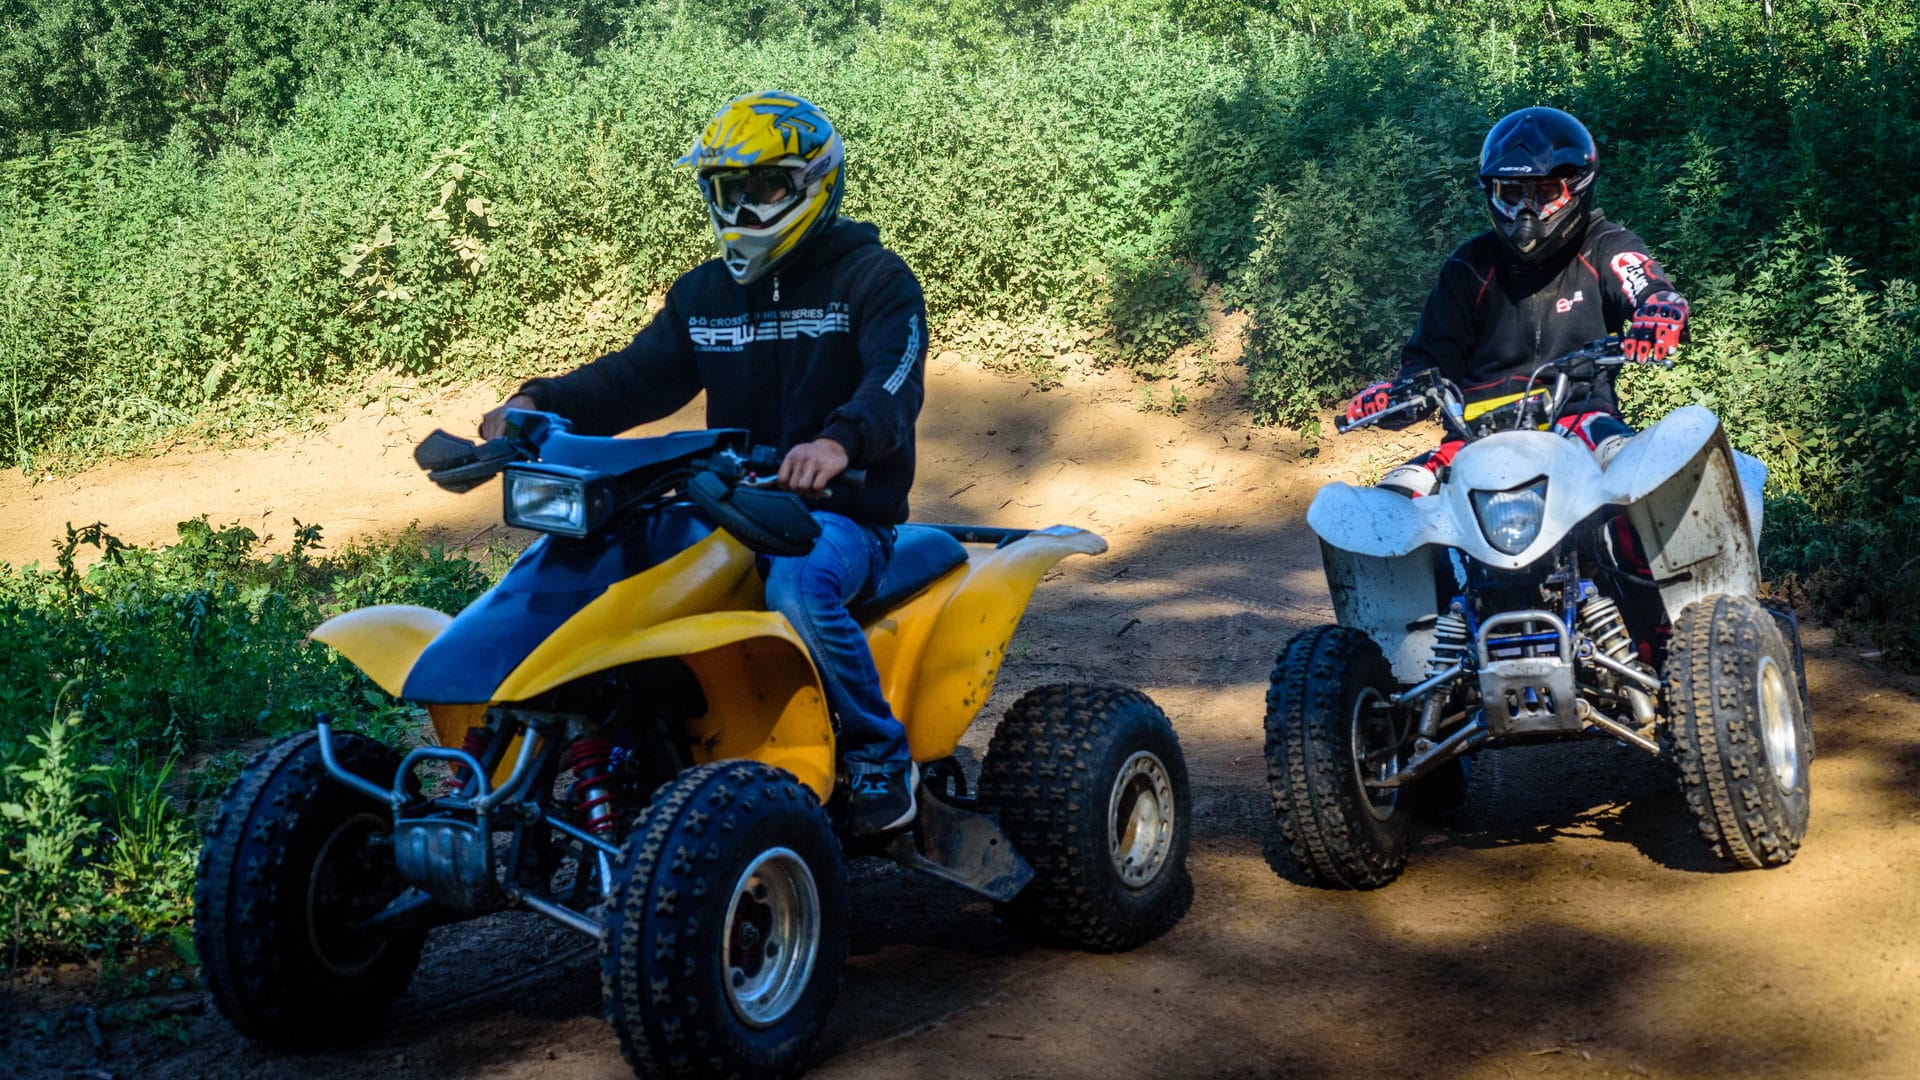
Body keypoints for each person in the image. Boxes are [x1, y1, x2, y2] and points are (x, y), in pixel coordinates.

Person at [479, 91, 928, 835]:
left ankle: (880, 756)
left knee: (800, 586)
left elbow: (893, 381)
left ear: (815, 183)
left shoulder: (874, 280)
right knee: (595, 569)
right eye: (730, 192)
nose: (746, 211)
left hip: (838, 515)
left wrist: (836, 443)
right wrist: (537, 400)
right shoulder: (705, 295)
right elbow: (634, 378)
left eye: (766, 189)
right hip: (723, 506)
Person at [1347, 106, 1690, 497]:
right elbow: (1428, 359)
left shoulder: (1605, 246)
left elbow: (1641, 281)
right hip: (1473, 439)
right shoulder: (1469, 266)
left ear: (1577, 188)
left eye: (1544, 193)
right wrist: (1398, 397)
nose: (1526, 211)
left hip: (1582, 421)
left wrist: (1660, 308)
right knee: (1384, 506)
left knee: (1648, 475)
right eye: (1511, 194)